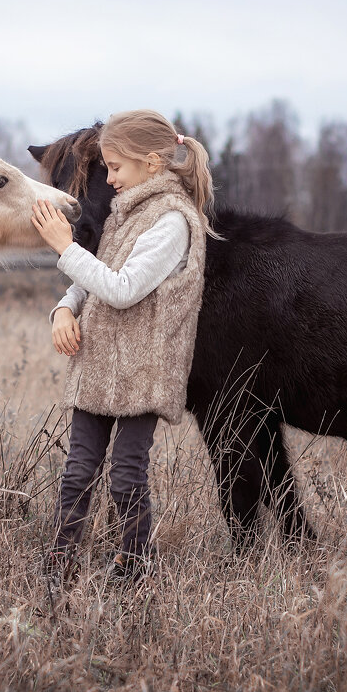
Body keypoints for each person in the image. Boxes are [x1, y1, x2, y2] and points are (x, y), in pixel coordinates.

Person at [30, 109, 215, 582]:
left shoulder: (172, 221)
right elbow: (94, 277)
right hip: (99, 365)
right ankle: (58, 566)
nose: (107, 179)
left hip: (142, 372)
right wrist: (64, 310)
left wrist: (63, 248)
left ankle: (134, 570)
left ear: (152, 163)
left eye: (114, 167)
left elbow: (122, 287)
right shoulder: (125, 210)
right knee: (77, 471)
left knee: (126, 475)